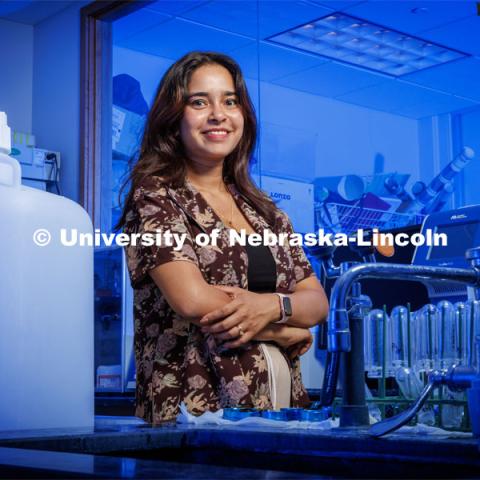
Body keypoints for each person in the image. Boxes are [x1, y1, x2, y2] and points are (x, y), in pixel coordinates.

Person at [116, 51, 329, 424]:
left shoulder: (265, 212)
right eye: (199, 102)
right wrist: (283, 330)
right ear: (173, 118)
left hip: (282, 408)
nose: (218, 114)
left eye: (230, 101)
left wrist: (273, 310)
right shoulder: (156, 197)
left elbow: (316, 302)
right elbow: (193, 299)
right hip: (195, 411)